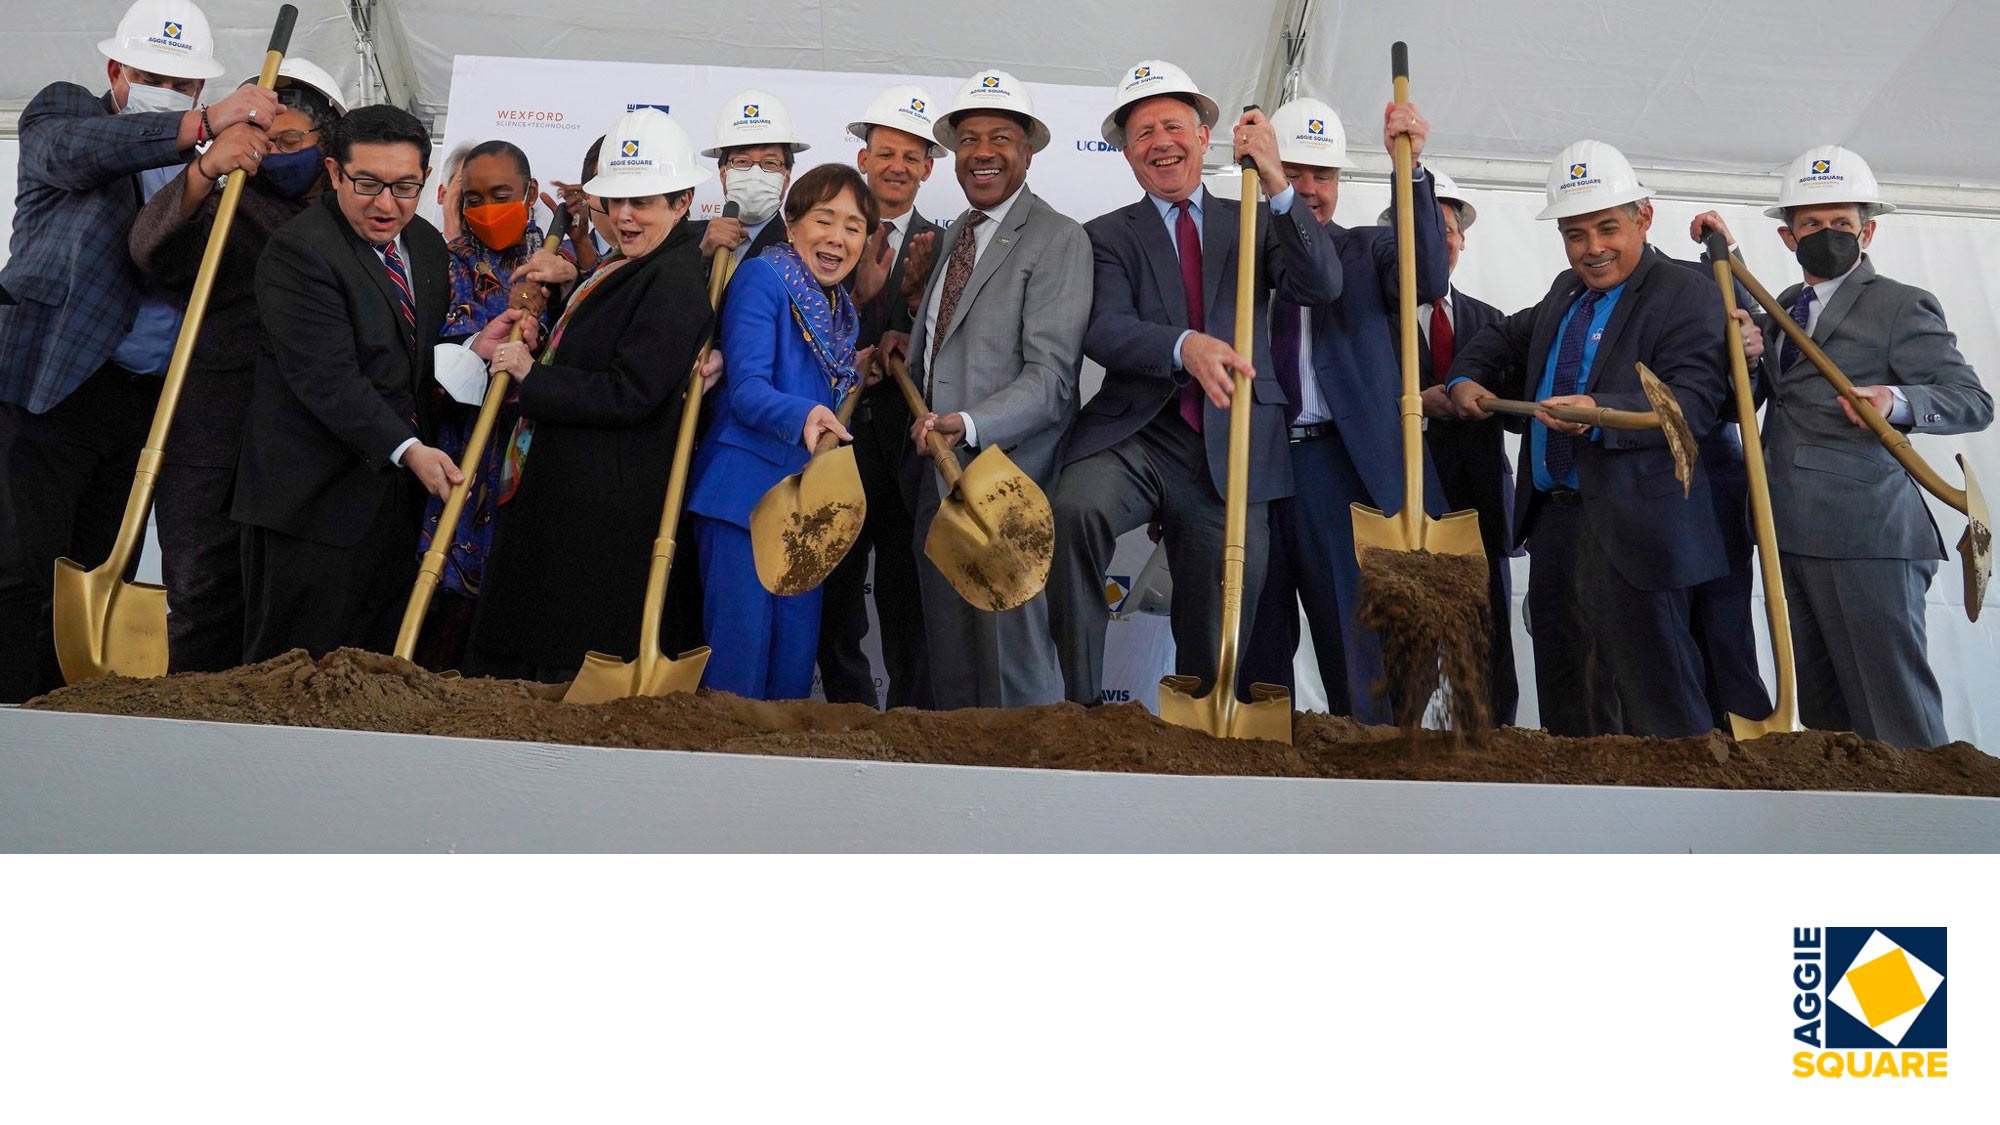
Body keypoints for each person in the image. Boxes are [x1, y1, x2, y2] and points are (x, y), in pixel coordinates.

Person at [0, 0, 275, 700]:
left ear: (202, 88)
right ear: (115, 69)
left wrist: (214, 158)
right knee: (18, 568)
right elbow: (71, 154)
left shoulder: (220, 169)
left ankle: (61, 711)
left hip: (148, 405)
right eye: (151, 74)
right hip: (50, 387)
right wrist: (202, 125)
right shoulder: (67, 112)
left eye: (184, 86)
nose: (166, 90)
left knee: (93, 570)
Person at [1048, 60, 1340, 707]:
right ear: (1126, 152)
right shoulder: (1105, 236)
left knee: (1223, 601)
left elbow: (1323, 284)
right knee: (1072, 510)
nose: (1160, 141)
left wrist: (1276, 180)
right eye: (1143, 131)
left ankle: (1204, 731)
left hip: (1231, 443)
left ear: (1205, 136)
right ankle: (1079, 704)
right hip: (1137, 436)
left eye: (1173, 124)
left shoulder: (1256, 220)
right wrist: (1185, 346)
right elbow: (1102, 327)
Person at [1695, 145, 1991, 747]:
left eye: (1840, 225)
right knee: (1831, 730)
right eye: (1810, 225)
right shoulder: (1781, 307)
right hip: (1791, 536)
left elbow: (1971, 399)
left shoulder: (1899, 304)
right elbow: (1764, 398)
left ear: (1869, 231)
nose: (1825, 235)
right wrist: (1750, 353)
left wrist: (1896, 401)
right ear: (1788, 236)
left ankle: (1926, 829)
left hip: (1868, 538)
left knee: (1894, 719)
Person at [1445, 140, 1730, 739]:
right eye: (1576, 234)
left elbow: (1694, 404)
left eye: (1607, 228)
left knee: (1662, 707)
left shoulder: (1686, 292)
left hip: (1640, 531)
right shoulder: (1564, 292)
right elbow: (1504, 337)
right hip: (1557, 524)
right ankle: (1578, 825)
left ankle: (1681, 826)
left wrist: (1601, 410)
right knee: (1569, 703)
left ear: (1642, 218)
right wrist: (1465, 376)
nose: (1593, 248)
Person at [463, 109, 715, 683]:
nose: (626, 215)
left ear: (681, 203)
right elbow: (602, 345)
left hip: (601, 521)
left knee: (568, 676)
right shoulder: (629, 265)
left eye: (644, 201)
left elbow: (631, 392)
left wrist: (532, 373)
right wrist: (550, 321)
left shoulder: (672, 280)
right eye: (617, 200)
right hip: (572, 503)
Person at [127, 58, 346, 673]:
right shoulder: (230, 204)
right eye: (265, 140)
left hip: (302, 436)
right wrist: (203, 173)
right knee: (201, 588)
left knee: (283, 597)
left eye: (292, 141)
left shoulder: (350, 219)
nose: (276, 154)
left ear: (328, 145)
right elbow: (152, 249)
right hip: (213, 424)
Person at [232, 103, 469, 662]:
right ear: (335, 173)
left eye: (405, 186)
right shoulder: (299, 252)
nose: (387, 203)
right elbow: (326, 377)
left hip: (393, 508)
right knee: (293, 674)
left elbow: (410, 356)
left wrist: (473, 350)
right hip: (310, 506)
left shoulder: (428, 246)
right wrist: (410, 450)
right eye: (368, 183)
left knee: (372, 673)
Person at [1237, 94, 1447, 723]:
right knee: (1256, 646)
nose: (1306, 189)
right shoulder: (1239, 252)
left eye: (1320, 176)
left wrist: (1408, 170)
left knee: (1359, 657)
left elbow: (1428, 276)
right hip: (1257, 464)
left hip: (1341, 469)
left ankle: (1373, 791)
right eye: (1293, 172)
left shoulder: (1371, 249)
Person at [886, 69, 1092, 709]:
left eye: (1001, 136)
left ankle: (1026, 804)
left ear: (1027, 152)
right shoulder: (954, 235)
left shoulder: (1058, 238)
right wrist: (903, 343)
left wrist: (968, 426)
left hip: (1007, 485)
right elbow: (950, 343)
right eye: (970, 138)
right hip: (937, 485)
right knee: (953, 678)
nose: (982, 151)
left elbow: (1053, 381)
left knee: (1013, 675)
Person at [687, 164, 880, 700]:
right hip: (742, 501)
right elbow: (747, 390)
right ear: (792, 223)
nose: (837, 238)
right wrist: (805, 415)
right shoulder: (762, 277)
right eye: (825, 219)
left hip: (805, 510)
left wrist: (856, 374)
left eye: (853, 226)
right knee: (739, 678)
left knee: (791, 680)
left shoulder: (842, 311)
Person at [412, 138, 577, 669]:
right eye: (474, 199)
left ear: (529, 192)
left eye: (500, 195)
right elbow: (428, 352)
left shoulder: (562, 261)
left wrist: (569, 282)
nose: (486, 210)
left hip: (534, 449)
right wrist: (482, 340)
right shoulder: (444, 259)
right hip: (462, 444)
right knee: (445, 592)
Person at [816, 84, 945, 709]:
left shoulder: (948, 246)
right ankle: (846, 714)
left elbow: (954, 344)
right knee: (835, 591)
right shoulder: (822, 236)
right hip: (833, 441)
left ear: (928, 166)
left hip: (906, 447)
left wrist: (914, 325)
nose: (897, 166)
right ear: (863, 159)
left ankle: (911, 719)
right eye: (885, 152)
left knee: (905, 588)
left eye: (911, 156)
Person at [1394, 171, 1520, 725]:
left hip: (1478, 513)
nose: (1439, 240)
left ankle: (1495, 758)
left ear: (1463, 241)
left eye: (1449, 229)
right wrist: (1413, 405)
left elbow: (1519, 405)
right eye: (1425, 228)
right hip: (1402, 510)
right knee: (1403, 659)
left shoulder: (1492, 322)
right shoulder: (1373, 320)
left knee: (1486, 660)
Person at [692, 90, 810, 268]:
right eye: (742, 161)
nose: (755, 174)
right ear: (723, 174)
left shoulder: (799, 253)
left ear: (786, 178)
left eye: (770, 162)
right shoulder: (687, 239)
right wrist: (700, 256)